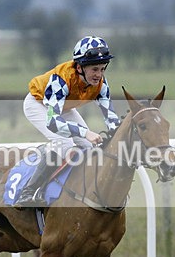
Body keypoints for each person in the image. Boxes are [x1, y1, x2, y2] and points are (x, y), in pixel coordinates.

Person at [14, 35, 121, 207]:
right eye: (94, 69)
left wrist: (121, 135)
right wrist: (86, 132)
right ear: (79, 67)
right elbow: (53, 122)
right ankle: (27, 192)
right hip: (38, 104)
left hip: (64, 107)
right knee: (64, 143)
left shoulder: (101, 84)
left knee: (89, 147)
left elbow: (111, 119)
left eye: (102, 69)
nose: (99, 75)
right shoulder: (61, 80)